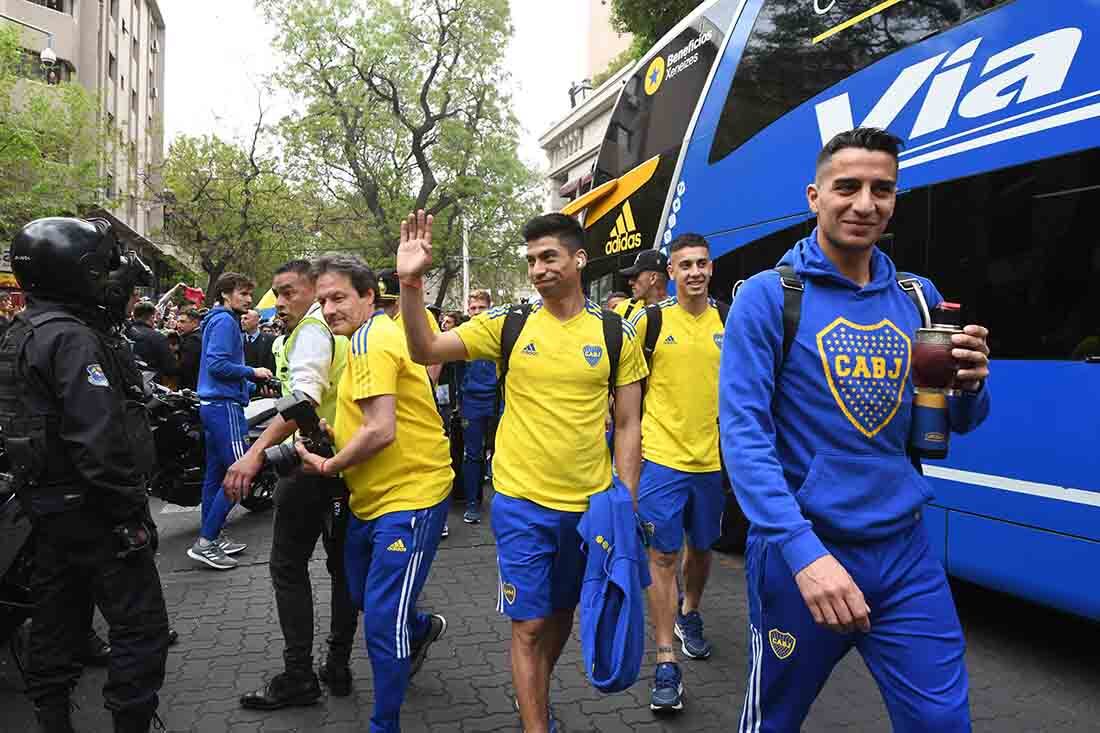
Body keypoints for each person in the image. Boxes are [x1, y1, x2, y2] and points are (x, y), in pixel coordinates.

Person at [721, 128, 992, 732]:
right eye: (848, 187)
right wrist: (802, 554)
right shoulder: (769, 298)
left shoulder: (918, 299)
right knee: (774, 720)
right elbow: (743, 437)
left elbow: (956, 423)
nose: (865, 203)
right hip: (805, 554)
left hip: (906, 555)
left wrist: (972, 387)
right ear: (815, 196)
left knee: (943, 723)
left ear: (896, 200)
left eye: (882, 189)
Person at [396, 211, 647, 733]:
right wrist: (411, 283)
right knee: (529, 624)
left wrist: (625, 495)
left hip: (589, 507)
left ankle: (533, 693)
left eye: (548, 257)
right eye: (530, 260)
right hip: (520, 504)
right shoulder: (508, 324)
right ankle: (537, 724)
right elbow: (424, 350)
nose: (537, 268)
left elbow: (628, 423)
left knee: (560, 617)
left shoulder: (614, 332)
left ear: (579, 259)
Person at [1, 217, 170, 732]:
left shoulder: (20, 332)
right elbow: (97, 439)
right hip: (95, 510)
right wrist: (131, 513)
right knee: (141, 629)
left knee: (57, 623)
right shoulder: (71, 339)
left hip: (46, 510)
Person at [294, 255, 451, 733]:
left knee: (383, 622)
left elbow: (381, 430)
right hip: (372, 498)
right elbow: (379, 416)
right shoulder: (373, 334)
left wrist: (329, 463)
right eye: (322, 300)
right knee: (362, 592)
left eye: (338, 297)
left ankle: (385, 723)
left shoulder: (369, 340)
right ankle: (422, 628)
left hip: (410, 496)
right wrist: (333, 430)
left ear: (368, 296)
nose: (328, 308)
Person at [223, 260, 360, 708]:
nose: (279, 303)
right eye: (275, 294)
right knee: (342, 570)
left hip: (312, 465)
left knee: (288, 567)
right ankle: (337, 664)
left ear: (313, 289)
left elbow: (304, 397)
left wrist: (253, 453)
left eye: (288, 292)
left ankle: (300, 675)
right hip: (342, 464)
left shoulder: (313, 332)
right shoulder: (329, 330)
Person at [628, 233, 726, 713]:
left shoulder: (728, 320)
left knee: (702, 550)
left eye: (701, 264)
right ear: (670, 273)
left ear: (711, 269)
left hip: (710, 461)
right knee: (662, 557)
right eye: (684, 264)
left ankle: (691, 612)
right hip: (662, 460)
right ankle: (665, 661)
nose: (694, 272)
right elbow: (627, 394)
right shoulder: (649, 321)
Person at [188, 273, 272, 570]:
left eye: (250, 293)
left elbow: (214, 368)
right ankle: (207, 542)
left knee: (216, 475)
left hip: (213, 405)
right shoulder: (225, 322)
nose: (249, 300)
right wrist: (253, 372)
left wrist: (248, 385)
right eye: (243, 293)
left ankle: (212, 536)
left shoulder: (217, 319)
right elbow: (218, 365)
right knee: (242, 473)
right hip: (223, 408)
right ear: (226, 294)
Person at [458, 290, 497, 524]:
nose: (476, 312)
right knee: (472, 455)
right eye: (472, 308)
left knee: (502, 452)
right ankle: (472, 503)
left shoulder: (501, 333)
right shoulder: (462, 336)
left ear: (489, 308)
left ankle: (503, 502)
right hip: (471, 403)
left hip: (497, 401)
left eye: (480, 307)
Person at [127, 300, 178, 384]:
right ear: (152, 317)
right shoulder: (159, 338)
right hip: (149, 385)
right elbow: (170, 368)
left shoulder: (122, 332)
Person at [616, 249, 670, 320]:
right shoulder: (623, 308)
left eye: (635, 276)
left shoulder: (679, 313)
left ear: (653, 278)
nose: (630, 282)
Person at [175, 307, 202, 391]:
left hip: (189, 388)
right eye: (178, 321)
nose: (178, 325)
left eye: (182, 322)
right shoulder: (193, 336)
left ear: (195, 323)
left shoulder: (194, 339)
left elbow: (185, 366)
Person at [242, 308, 277, 373]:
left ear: (256, 321)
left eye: (246, 318)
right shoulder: (238, 340)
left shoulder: (271, 340)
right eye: (242, 318)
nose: (242, 321)